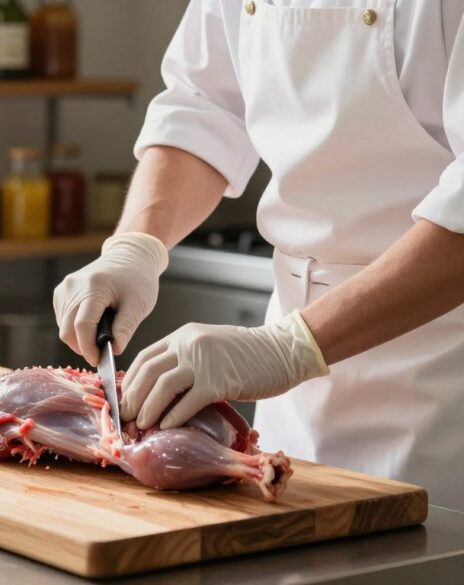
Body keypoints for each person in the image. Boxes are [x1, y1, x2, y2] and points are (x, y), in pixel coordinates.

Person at [53, 0, 464, 510]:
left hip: (440, 381)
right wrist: (136, 245)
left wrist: (290, 348)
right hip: (291, 390)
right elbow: (203, 106)